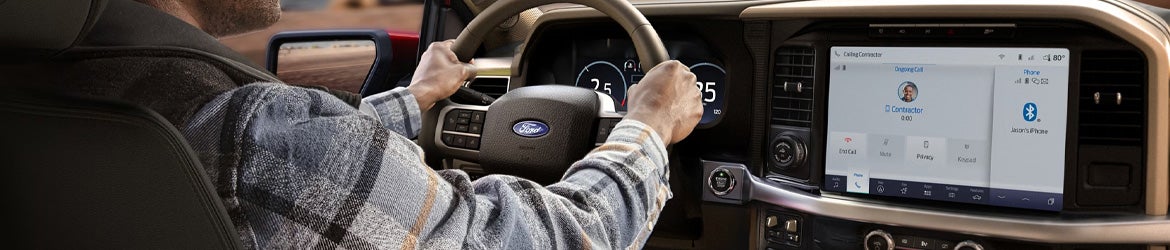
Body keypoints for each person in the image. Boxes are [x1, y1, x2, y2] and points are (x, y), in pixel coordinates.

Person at [9, 0, 702, 248]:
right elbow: (561, 237)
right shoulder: (261, 139)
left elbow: (308, 160)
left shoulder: (42, 95)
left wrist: (417, 98)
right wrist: (647, 127)